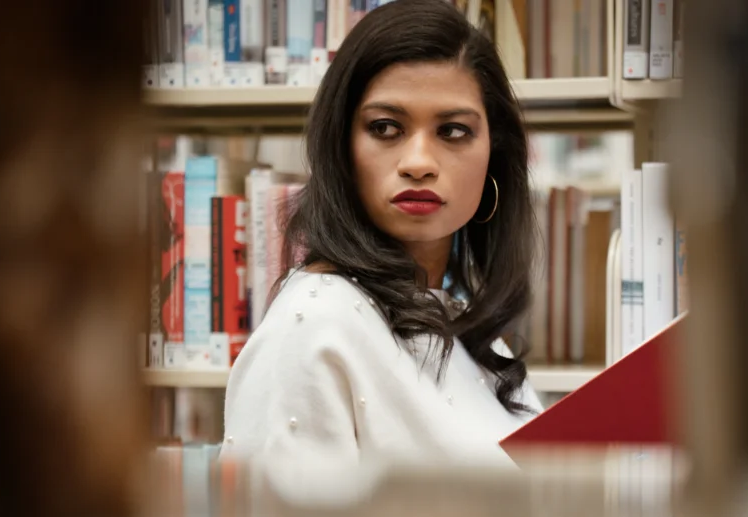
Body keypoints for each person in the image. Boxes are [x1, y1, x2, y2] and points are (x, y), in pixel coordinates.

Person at [222, 0, 543, 482]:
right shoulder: (314, 325)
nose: (419, 162)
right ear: (342, 148)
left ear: (493, 156)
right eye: (386, 128)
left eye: (453, 131)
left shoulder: (464, 324)